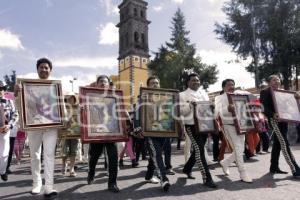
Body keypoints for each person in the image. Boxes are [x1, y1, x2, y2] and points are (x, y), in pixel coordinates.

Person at [14, 58, 59, 197]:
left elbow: (61, 107)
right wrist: (17, 94)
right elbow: (20, 106)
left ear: (50, 70)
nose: (44, 69)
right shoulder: (28, 87)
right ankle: (36, 183)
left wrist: (63, 120)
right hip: (34, 125)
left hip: (51, 126)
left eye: (46, 67)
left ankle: (49, 187)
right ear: (37, 69)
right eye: (41, 67)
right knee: (35, 155)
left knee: (49, 155)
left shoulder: (56, 87)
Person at [180, 73, 217, 188]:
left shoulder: (204, 93)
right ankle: (207, 178)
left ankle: (187, 168)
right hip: (191, 125)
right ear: (188, 82)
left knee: (198, 149)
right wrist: (190, 106)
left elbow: (207, 108)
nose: (196, 82)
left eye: (197, 80)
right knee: (200, 151)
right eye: (193, 80)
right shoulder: (182, 95)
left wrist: (212, 106)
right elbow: (181, 111)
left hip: (205, 125)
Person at [260, 75, 300, 177]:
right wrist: (273, 114)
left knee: (278, 144)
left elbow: (289, 106)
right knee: (284, 143)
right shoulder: (265, 92)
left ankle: (274, 167)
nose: (277, 82)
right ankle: (295, 169)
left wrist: (296, 98)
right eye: (274, 80)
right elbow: (263, 107)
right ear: (269, 82)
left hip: (284, 120)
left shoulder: (283, 92)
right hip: (274, 121)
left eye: (278, 80)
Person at [215, 79, 252, 183]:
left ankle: (225, 162)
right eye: (228, 85)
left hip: (241, 125)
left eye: (233, 85)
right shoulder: (219, 98)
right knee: (238, 148)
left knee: (241, 150)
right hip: (228, 125)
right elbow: (217, 113)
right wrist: (227, 108)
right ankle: (242, 173)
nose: (231, 86)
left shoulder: (239, 96)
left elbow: (244, 111)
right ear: (223, 87)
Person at [87, 75, 120, 193]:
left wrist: (128, 120)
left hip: (112, 132)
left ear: (108, 84)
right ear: (96, 84)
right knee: (94, 157)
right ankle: (91, 172)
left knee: (113, 158)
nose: (103, 83)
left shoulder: (114, 97)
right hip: (96, 132)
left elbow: (120, 110)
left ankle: (112, 183)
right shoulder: (90, 97)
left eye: (105, 82)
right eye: (100, 81)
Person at [141, 76, 172, 191]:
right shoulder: (144, 99)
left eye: (157, 83)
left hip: (165, 131)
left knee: (155, 154)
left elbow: (171, 113)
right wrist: (139, 129)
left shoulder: (166, 98)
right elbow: (139, 115)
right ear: (148, 86)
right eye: (152, 83)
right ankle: (164, 179)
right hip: (150, 131)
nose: (155, 85)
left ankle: (149, 176)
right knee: (157, 154)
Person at [0, 81, 18, 181]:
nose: (0, 90)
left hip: (5, 131)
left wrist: (10, 125)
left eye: (2, 89)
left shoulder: (9, 102)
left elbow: (16, 114)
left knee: (4, 154)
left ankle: (3, 171)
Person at [60, 95, 80, 177]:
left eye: (73, 99)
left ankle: (71, 169)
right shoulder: (62, 108)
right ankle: (64, 164)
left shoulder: (78, 108)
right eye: (69, 99)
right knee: (65, 151)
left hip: (75, 133)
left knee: (74, 151)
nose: (71, 100)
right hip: (65, 133)